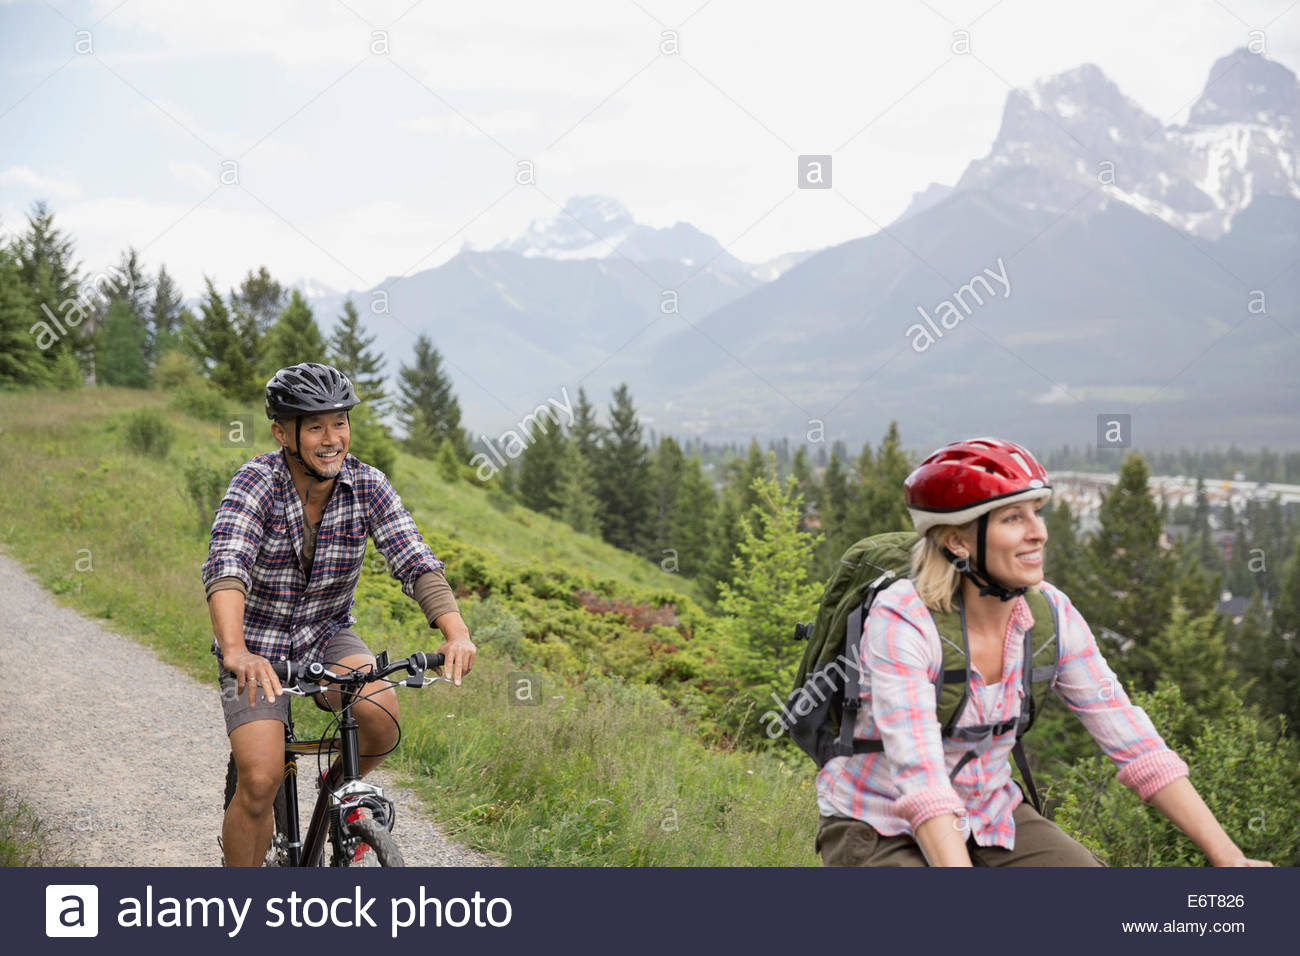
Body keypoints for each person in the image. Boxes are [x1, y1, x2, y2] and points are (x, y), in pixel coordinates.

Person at [814, 437, 1272, 867]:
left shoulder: (1050, 613)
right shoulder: (904, 618)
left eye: (1037, 513)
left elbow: (1134, 743)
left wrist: (1228, 857)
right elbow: (921, 780)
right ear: (956, 540)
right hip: (878, 821)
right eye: (1014, 518)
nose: (1039, 533)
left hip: (990, 813)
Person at [202, 362, 477, 867]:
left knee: (383, 716)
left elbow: (414, 559)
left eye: (340, 423)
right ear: (283, 432)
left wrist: (456, 633)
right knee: (260, 781)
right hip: (256, 648)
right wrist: (236, 650)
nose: (331, 439)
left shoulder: (368, 485)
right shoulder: (255, 483)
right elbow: (227, 568)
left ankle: (336, 791)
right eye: (315, 426)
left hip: (326, 635)